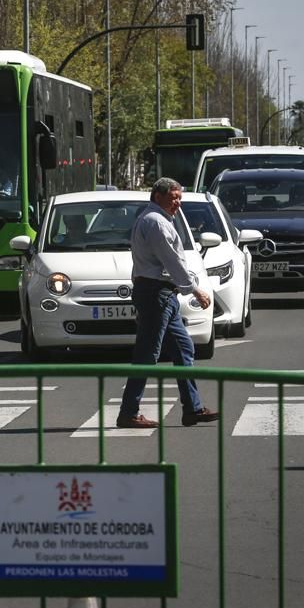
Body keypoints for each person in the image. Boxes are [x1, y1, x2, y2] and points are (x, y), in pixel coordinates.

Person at [117, 178, 219, 429]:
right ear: (157, 196)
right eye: (174, 198)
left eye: (179, 198)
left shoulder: (158, 220)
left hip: (163, 294)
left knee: (183, 349)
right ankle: (128, 412)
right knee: (146, 355)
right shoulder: (156, 222)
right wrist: (196, 290)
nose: (178, 203)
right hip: (156, 294)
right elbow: (171, 261)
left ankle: (193, 409)